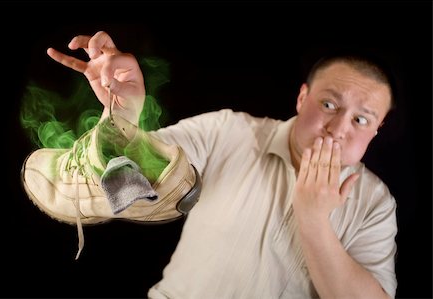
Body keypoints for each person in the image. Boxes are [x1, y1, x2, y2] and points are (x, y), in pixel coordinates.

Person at [26, 30, 398, 298]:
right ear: (303, 97)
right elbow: (147, 178)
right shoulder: (229, 130)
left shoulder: (376, 203)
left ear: (377, 129)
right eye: (329, 105)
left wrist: (314, 219)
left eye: (361, 120)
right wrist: (126, 119)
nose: (337, 129)